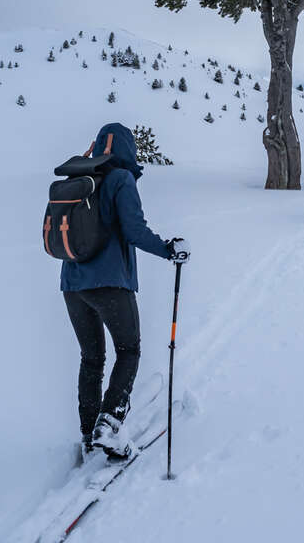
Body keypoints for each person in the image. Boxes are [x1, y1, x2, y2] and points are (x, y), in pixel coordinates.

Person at [63, 123, 188, 461]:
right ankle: (109, 424)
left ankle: (89, 432)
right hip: (111, 284)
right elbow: (134, 231)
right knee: (128, 350)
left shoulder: (80, 179)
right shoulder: (121, 179)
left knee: (92, 358)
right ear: (127, 148)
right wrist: (168, 249)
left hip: (72, 285)